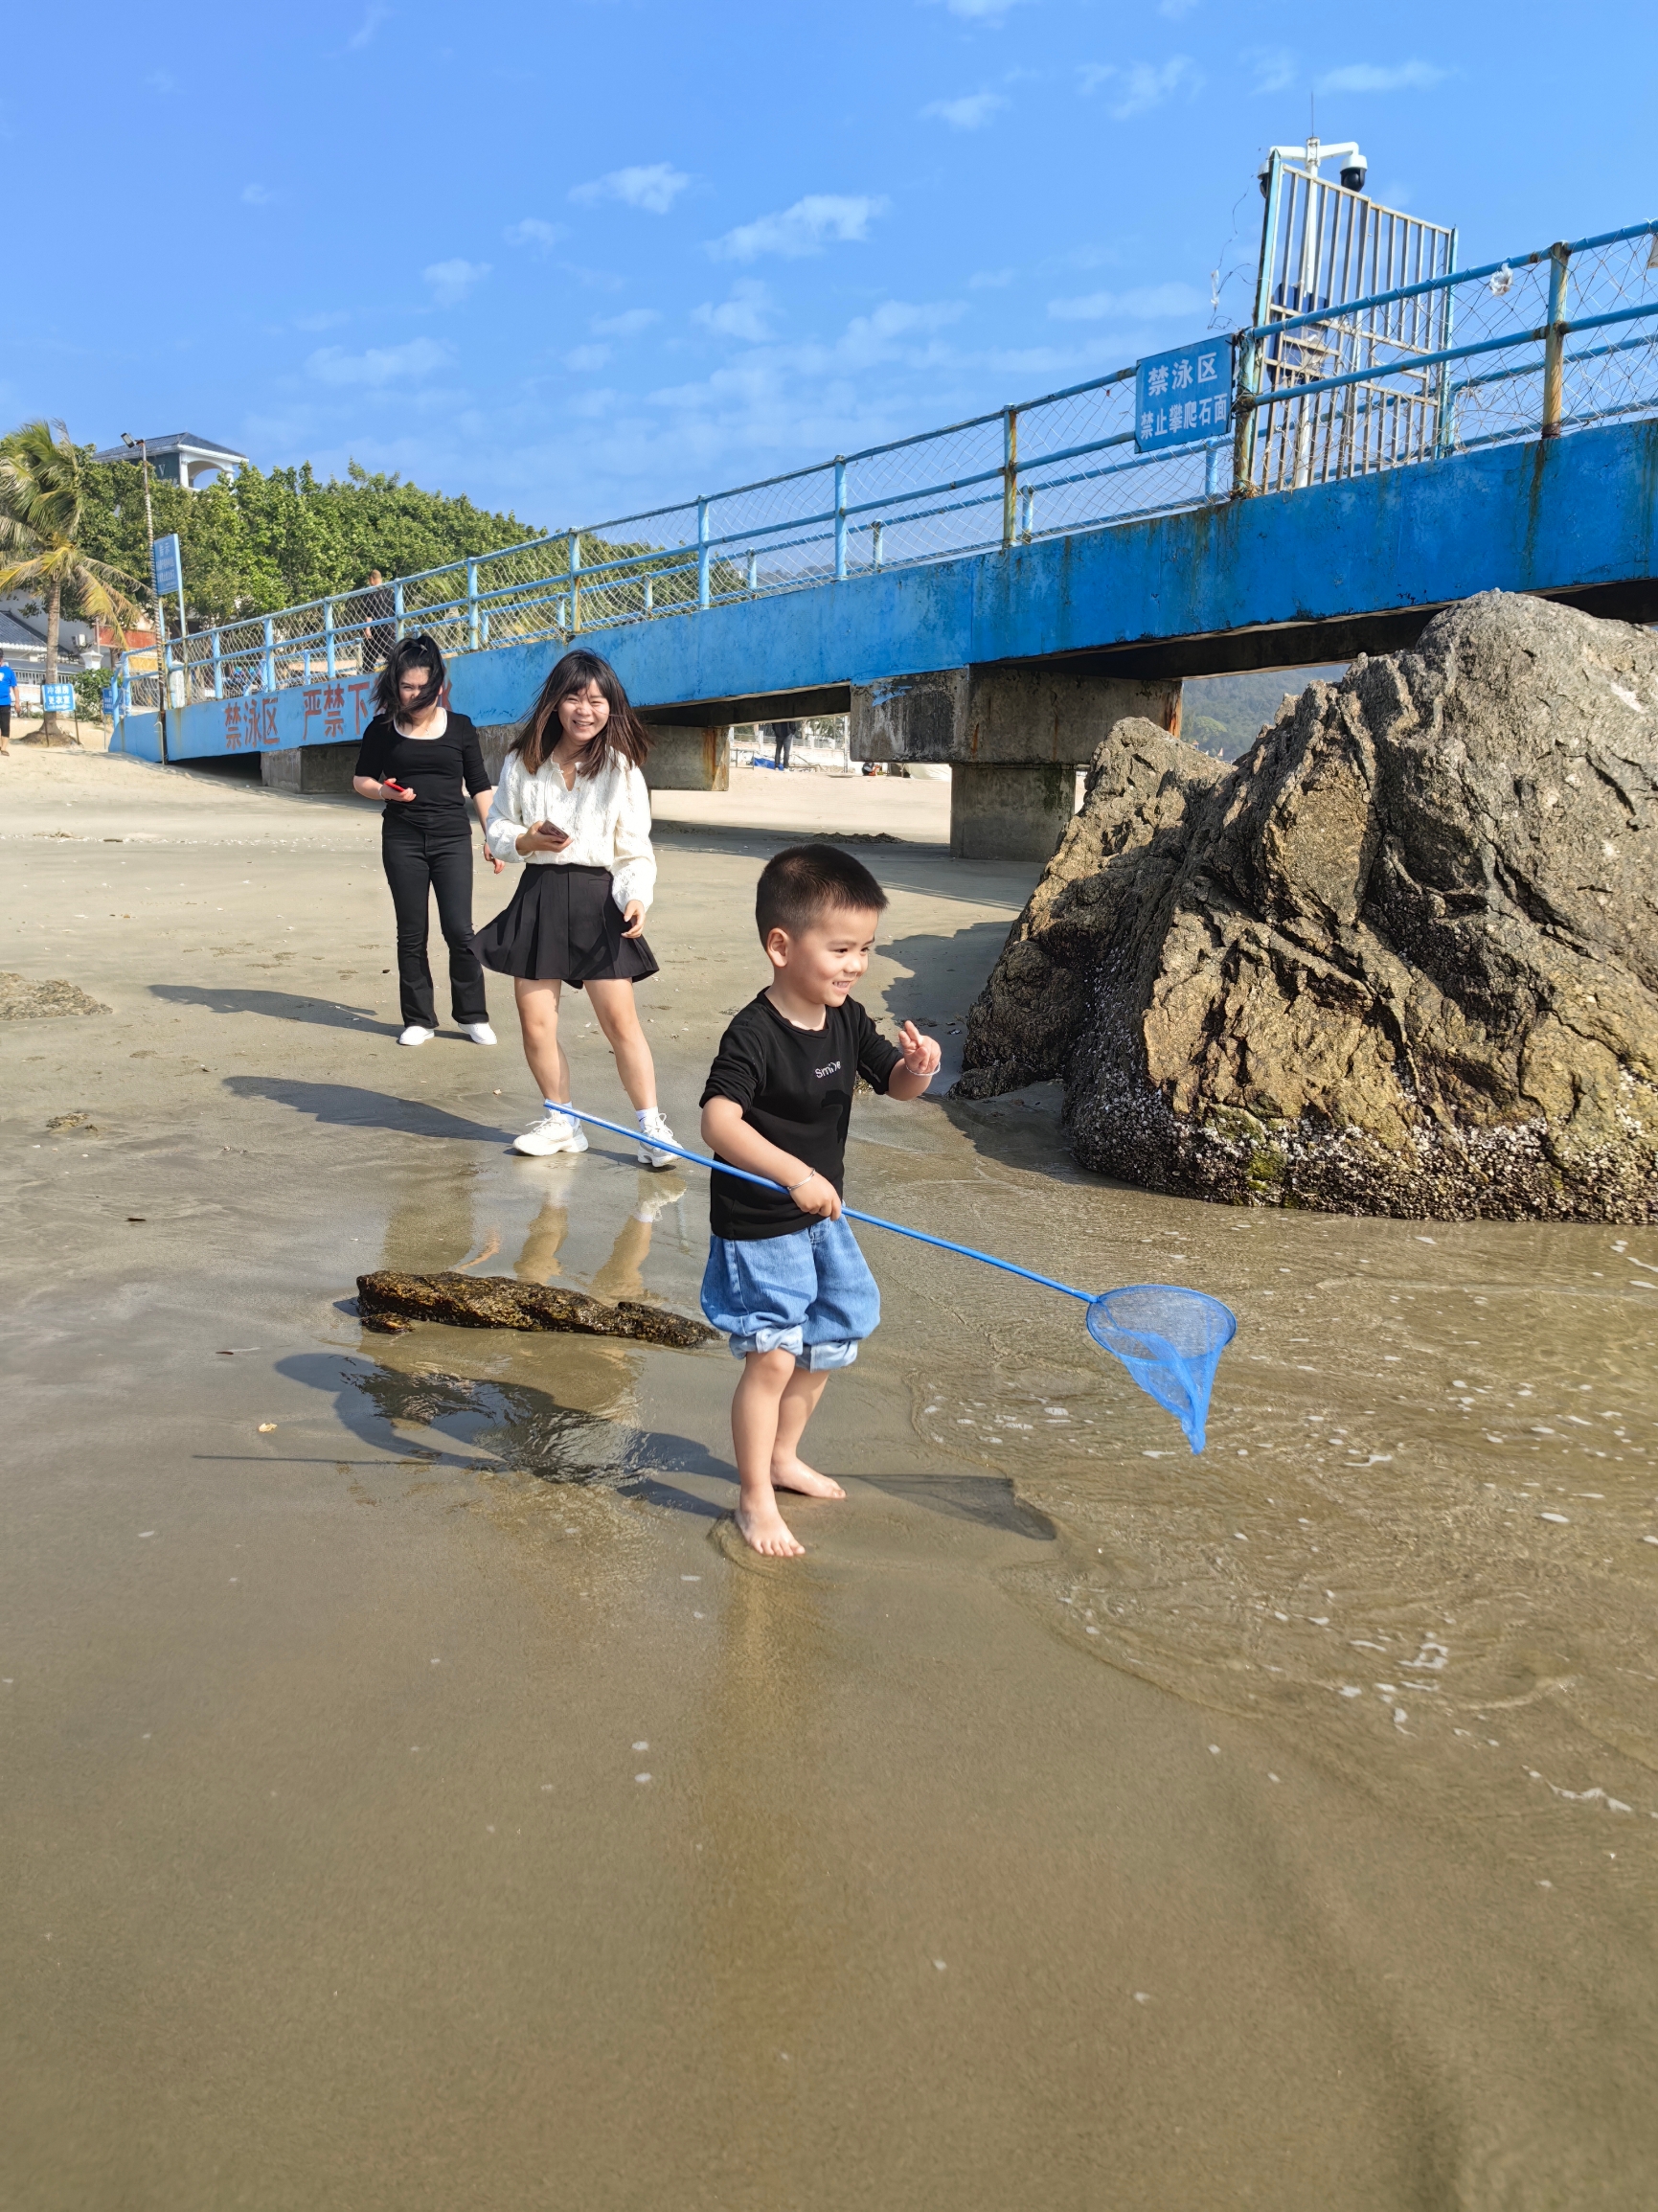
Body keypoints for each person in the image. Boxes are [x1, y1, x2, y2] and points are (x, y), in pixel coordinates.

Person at [698, 843, 942, 1558]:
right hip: (760, 1221)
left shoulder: (845, 1017)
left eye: (864, 948)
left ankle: (783, 1455)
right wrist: (793, 1174)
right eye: (840, 948)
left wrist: (917, 1070)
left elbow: (891, 1081)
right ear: (780, 945)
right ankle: (753, 1496)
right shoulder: (754, 1033)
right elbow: (718, 1121)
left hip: (821, 1215)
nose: (855, 964)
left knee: (830, 1335)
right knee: (772, 1356)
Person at [479, 648, 679, 1169]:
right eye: (574, 697)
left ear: (611, 707)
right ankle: (561, 1121)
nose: (584, 709)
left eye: (596, 700)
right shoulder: (523, 760)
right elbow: (497, 825)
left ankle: (652, 1128)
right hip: (539, 896)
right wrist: (526, 841)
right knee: (534, 1021)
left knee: (620, 1024)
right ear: (555, 702)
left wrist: (636, 896)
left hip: (600, 899)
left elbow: (635, 850)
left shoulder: (622, 769)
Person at [352, 633, 502, 1047]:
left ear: (439, 683)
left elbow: (480, 785)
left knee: (459, 929)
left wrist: (494, 837)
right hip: (402, 837)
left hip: (452, 837)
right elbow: (361, 779)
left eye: (424, 687)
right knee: (411, 931)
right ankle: (418, 1019)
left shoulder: (461, 728)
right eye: (407, 686)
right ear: (394, 684)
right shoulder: (382, 728)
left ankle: (472, 1014)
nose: (415, 695)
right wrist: (384, 791)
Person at [360, 570, 396, 673]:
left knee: (368, 662)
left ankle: (366, 681)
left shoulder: (370, 593)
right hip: (390, 630)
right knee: (393, 657)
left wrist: (367, 629)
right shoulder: (391, 592)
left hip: (376, 632)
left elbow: (369, 614)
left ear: (371, 579)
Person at [0, 656, 15, 754]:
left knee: (5, 726)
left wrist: (17, 701)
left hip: (5, 703)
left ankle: (4, 748)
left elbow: (15, 687)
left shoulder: (9, 671)